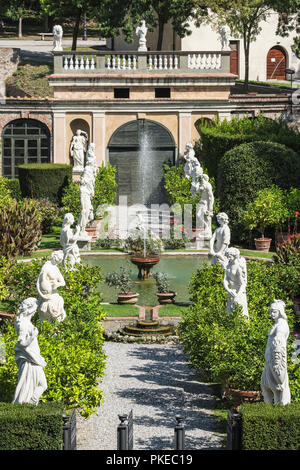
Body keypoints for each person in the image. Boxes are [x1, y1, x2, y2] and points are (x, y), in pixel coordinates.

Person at [12, 297, 47, 405]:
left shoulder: (27, 322)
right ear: (30, 309)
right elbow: (22, 344)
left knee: (40, 385)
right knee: (41, 384)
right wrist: (33, 336)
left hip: (33, 357)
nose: (35, 312)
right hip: (29, 359)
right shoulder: (22, 324)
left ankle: (30, 404)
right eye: (35, 309)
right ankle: (29, 404)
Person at [261, 300, 291, 405]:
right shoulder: (277, 324)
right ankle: (269, 412)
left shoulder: (281, 326)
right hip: (269, 361)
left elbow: (279, 344)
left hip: (275, 363)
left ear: (280, 312)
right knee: (265, 386)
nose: (271, 314)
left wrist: (277, 366)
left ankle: (279, 411)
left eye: (274, 312)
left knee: (277, 389)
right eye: (271, 311)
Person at [36, 251, 66, 322]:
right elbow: (39, 283)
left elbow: (63, 282)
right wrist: (44, 295)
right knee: (49, 310)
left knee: (59, 304)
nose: (58, 262)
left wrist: (57, 284)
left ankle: (55, 329)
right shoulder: (46, 267)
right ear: (54, 257)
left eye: (60, 260)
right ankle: (48, 328)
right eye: (58, 260)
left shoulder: (56, 268)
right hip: (47, 295)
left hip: (55, 294)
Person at [223, 247, 249, 319]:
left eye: (230, 256)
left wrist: (237, 296)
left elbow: (243, 284)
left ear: (235, 256)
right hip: (231, 292)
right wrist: (229, 290)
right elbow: (225, 280)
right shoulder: (228, 266)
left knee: (240, 315)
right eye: (227, 256)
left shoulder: (238, 267)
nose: (228, 258)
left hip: (239, 293)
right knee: (229, 314)